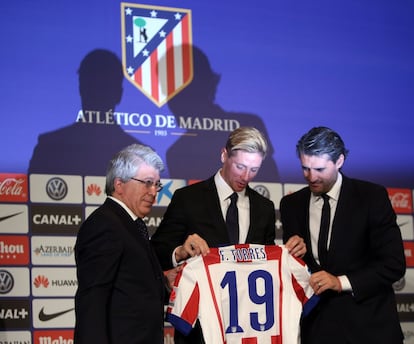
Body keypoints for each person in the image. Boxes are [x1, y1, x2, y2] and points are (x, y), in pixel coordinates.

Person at [151, 126, 306, 344]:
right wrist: (180, 251)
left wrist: (290, 254)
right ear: (224, 155)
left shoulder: (264, 207)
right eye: (240, 166)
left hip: (250, 330)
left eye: (254, 169)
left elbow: (266, 265)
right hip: (200, 331)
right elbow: (156, 250)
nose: (245, 176)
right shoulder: (188, 199)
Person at [279, 126, 406, 344]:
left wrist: (340, 282)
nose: (311, 177)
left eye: (319, 169)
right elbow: (296, 273)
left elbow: (393, 264)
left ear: (339, 161)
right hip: (318, 331)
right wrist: (292, 255)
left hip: (370, 330)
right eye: (305, 168)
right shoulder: (291, 204)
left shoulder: (371, 197)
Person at [74, 143, 177, 344]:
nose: (153, 191)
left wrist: (164, 284)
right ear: (119, 184)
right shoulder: (104, 225)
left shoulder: (130, 224)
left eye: (157, 184)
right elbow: (93, 300)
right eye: (147, 182)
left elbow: (129, 290)